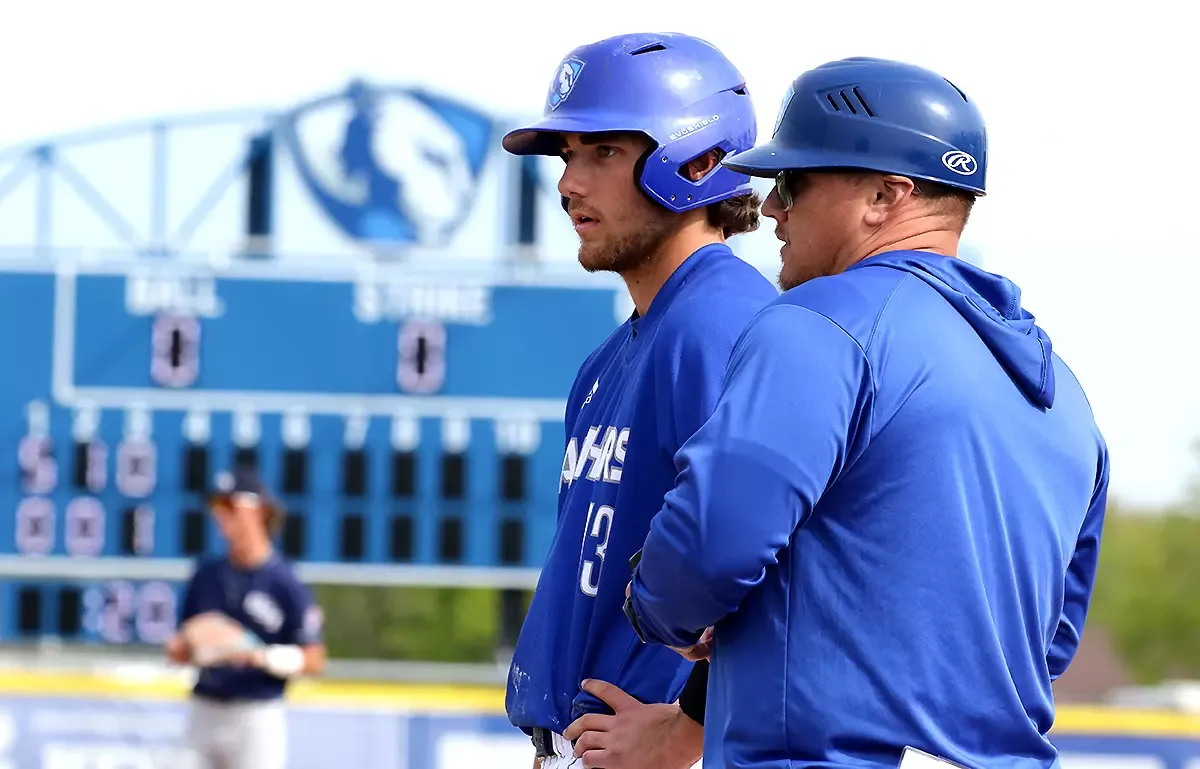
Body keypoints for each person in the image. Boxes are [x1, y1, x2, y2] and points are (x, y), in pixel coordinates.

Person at [621, 56, 1111, 769]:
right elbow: (1050, 643)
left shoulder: (824, 322)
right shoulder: (1061, 390)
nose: (771, 209)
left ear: (886, 195)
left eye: (794, 181)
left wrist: (662, 605)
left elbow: (709, 544)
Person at [500, 31, 780, 769]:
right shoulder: (613, 357)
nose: (569, 183)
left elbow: (782, 565)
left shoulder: (721, 325)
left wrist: (686, 731)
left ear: (695, 161)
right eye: (567, 156)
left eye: (604, 152)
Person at [165, 467, 326, 769]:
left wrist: (260, 656)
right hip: (206, 708)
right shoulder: (207, 575)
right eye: (218, 507)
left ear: (258, 511)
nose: (221, 516)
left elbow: (315, 659)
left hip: (256, 714)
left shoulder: (285, 582)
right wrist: (187, 648)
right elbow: (181, 643)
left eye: (230, 506)